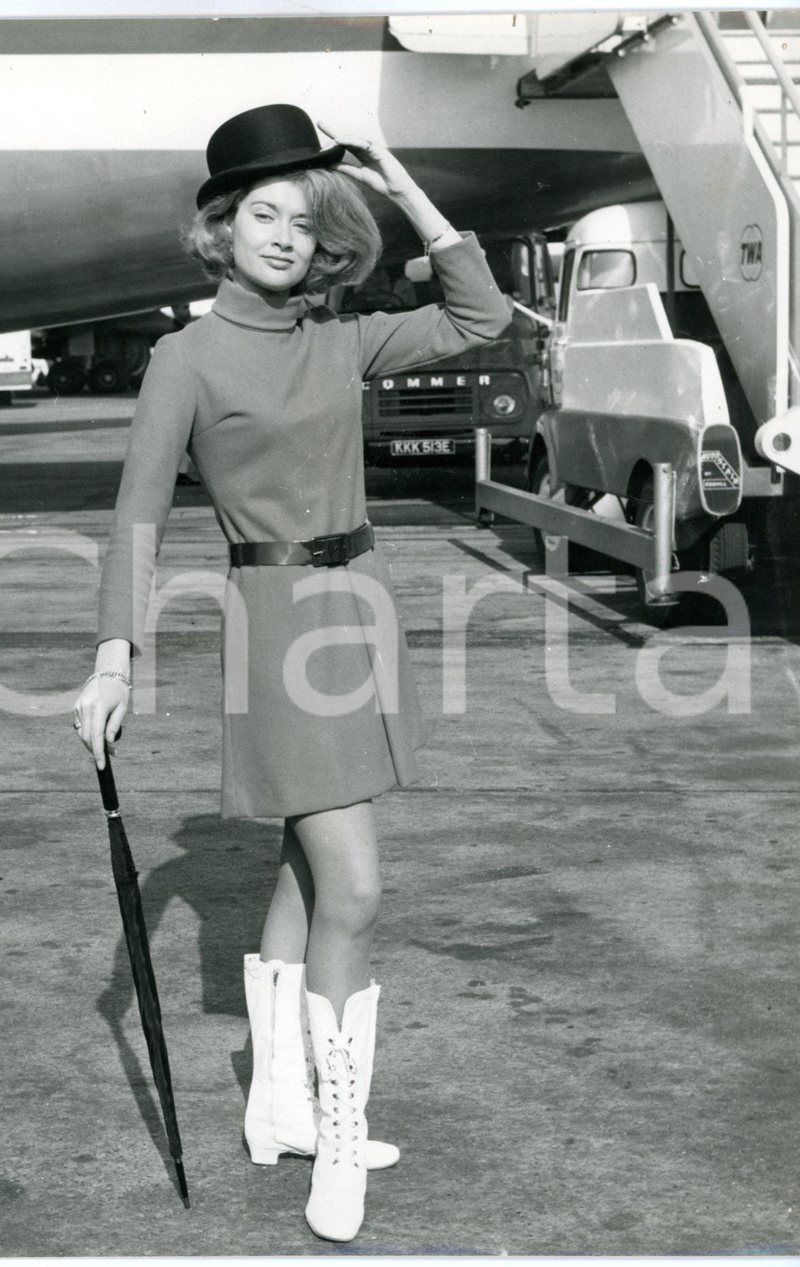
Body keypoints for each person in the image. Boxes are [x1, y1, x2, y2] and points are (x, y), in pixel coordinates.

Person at [74, 103, 511, 1242]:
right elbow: (135, 517)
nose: (282, 236)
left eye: (304, 220)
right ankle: (337, 1130)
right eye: (261, 215)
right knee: (354, 888)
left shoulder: (340, 337)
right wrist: (113, 656)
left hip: (361, 608)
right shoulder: (184, 358)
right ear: (221, 230)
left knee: (306, 874)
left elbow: (481, 315)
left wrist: (400, 180)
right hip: (277, 630)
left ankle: (277, 1105)